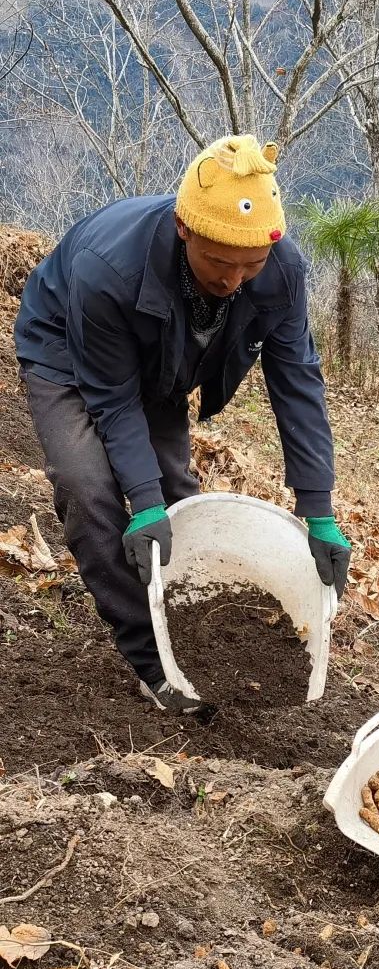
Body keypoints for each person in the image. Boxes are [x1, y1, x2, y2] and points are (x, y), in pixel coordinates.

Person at [15, 135, 350, 713]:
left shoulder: (283, 271)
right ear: (184, 229)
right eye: (220, 261)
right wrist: (138, 502)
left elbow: (297, 382)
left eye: (252, 262)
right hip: (67, 353)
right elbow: (113, 399)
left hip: (162, 357)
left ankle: (187, 627)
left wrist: (317, 508)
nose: (236, 279)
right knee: (89, 489)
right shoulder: (109, 267)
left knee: (176, 495)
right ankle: (153, 660)